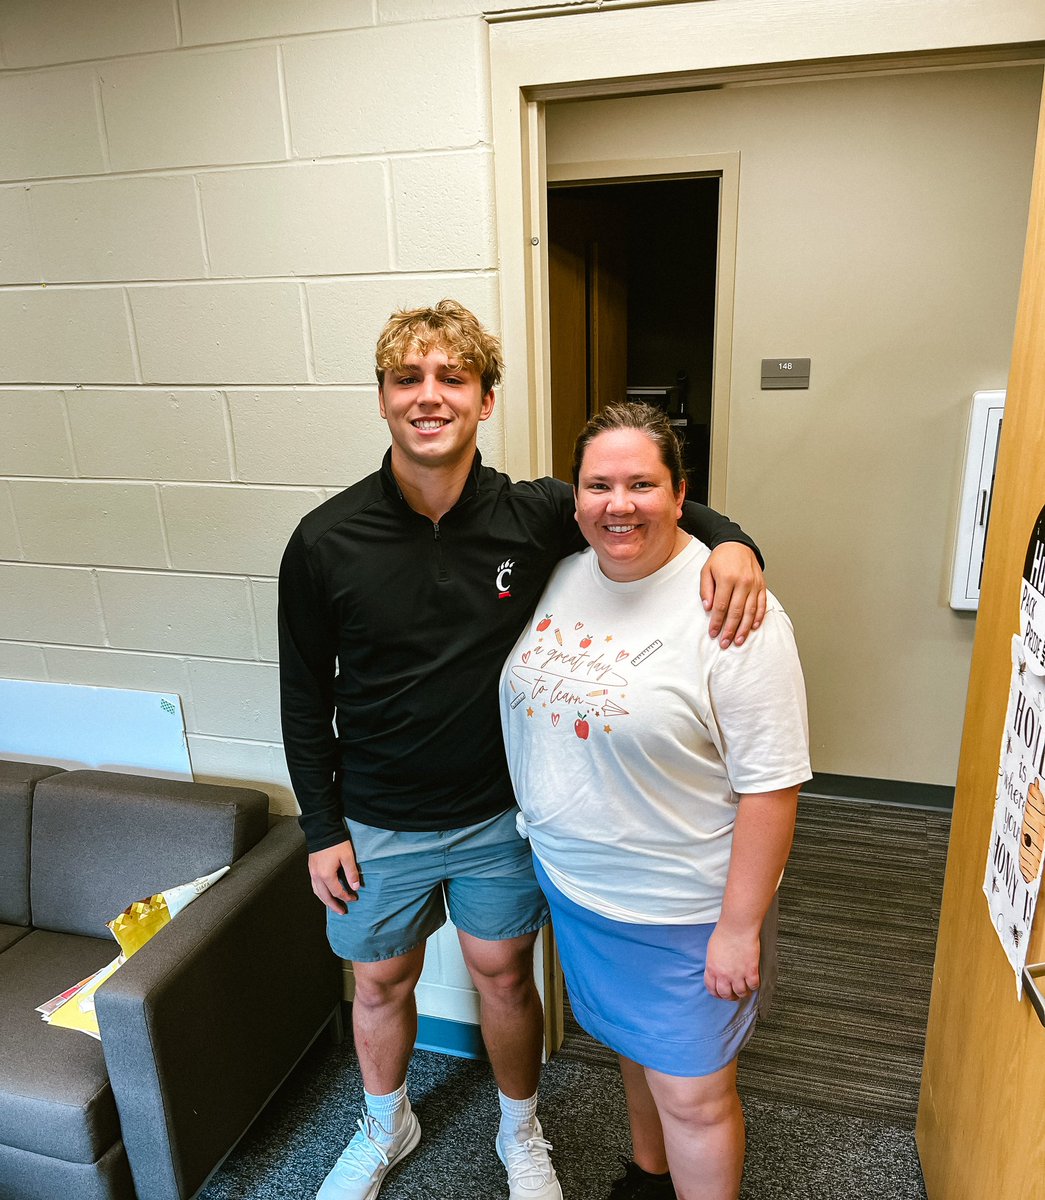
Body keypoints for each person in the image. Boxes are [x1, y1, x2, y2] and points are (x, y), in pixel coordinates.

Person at [278, 301, 768, 1200]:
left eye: (451, 379)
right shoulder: (324, 540)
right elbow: (304, 696)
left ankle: (520, 1129)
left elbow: (647, 500)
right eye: (407, 380)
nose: (429, 398)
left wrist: (735, 544)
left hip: (498, 814)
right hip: (372, 817)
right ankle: (383, 1124)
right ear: (383, 399)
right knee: (379, 980)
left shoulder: (535, 513)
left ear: (485, 399)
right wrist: (320, 826)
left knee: (502, 976)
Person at [499, 401, 811, 1200]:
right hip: (580, 890)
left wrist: (739, 929)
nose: (618, 503)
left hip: (682, 907)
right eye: (599, 485)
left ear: (680, 495)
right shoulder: (564, 570)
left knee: (693, 1094)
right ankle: (647, 1179)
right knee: (632, 1049)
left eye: (643, 483)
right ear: (575, 501)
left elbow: (771, 785)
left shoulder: (734, 611)